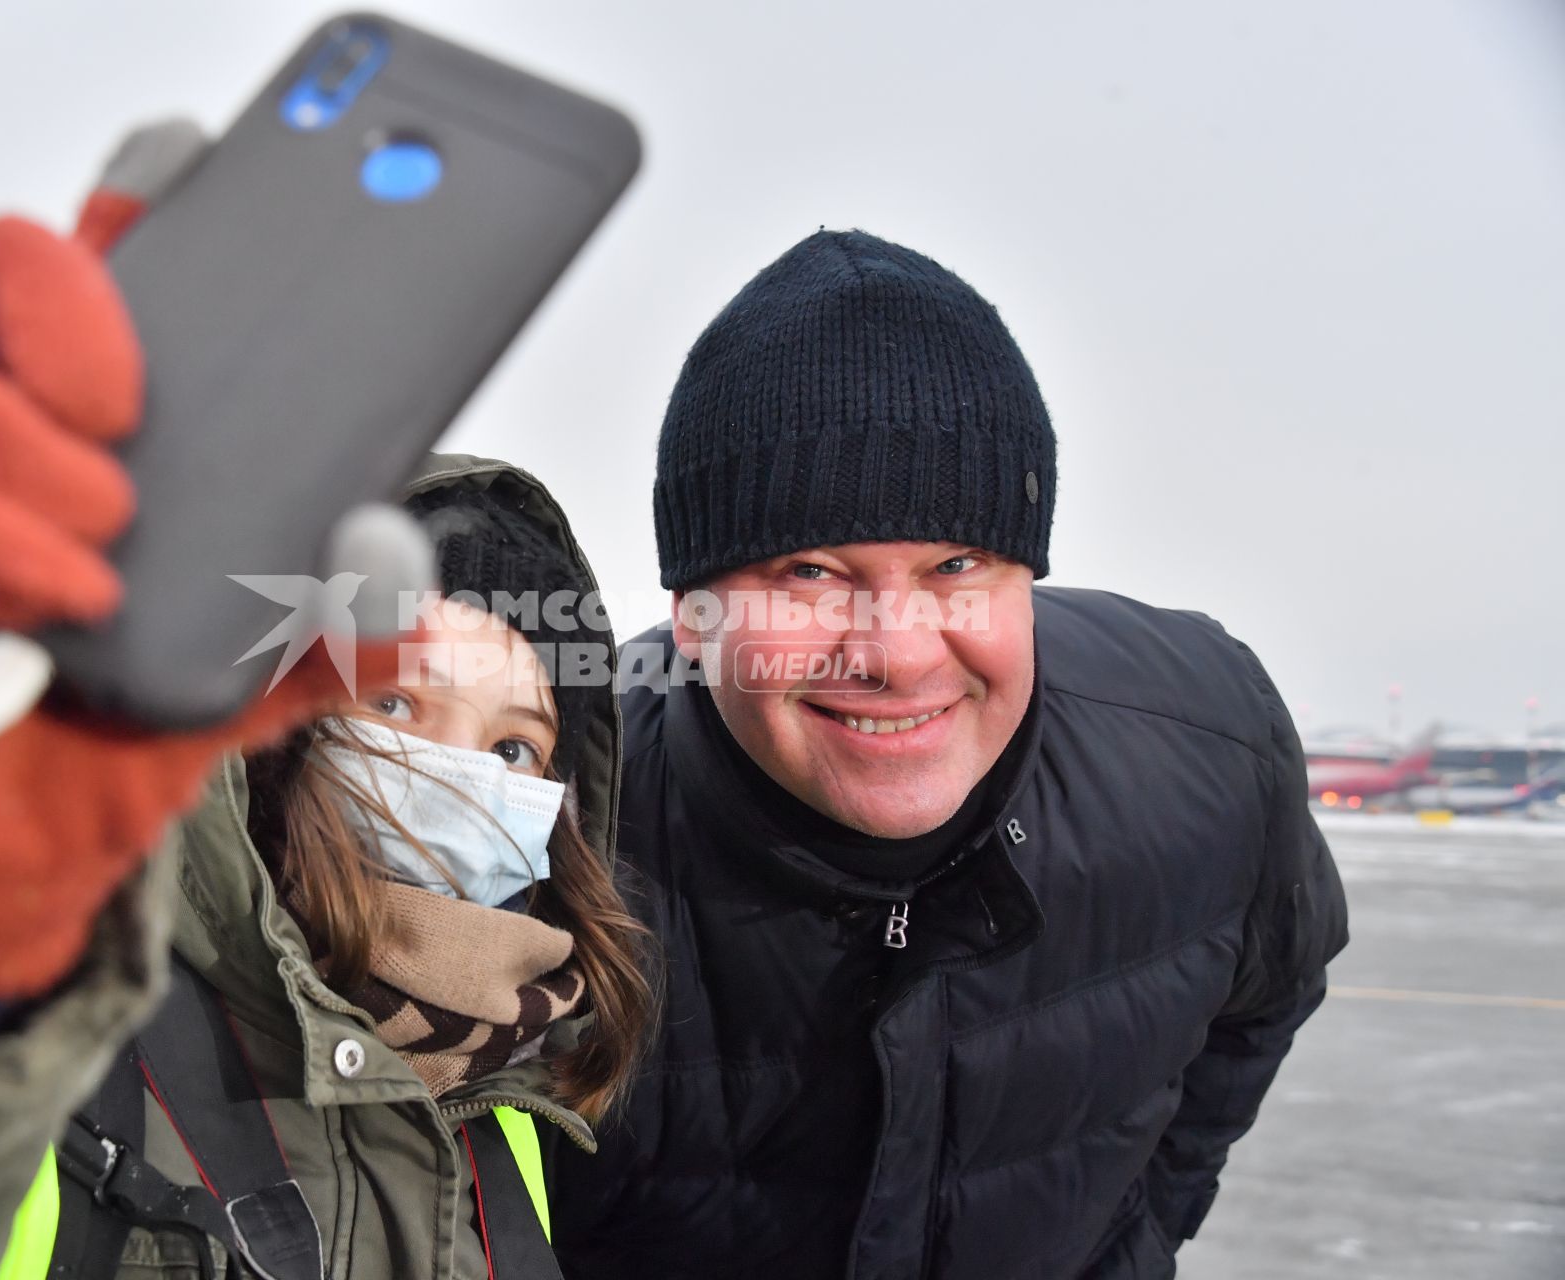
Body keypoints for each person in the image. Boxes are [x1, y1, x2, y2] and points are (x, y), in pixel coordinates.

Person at [0, 127, 649, 1279]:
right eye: (401, 707)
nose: (463, 776)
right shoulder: (48, 1020)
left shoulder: (502, 1095)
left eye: (517, 744)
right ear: (283, 718)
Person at [548, 230, 1350, 1279]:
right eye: (811, 570)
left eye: (957, 563)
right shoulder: (552, 827)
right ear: (693, 613)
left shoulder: (1204, 745)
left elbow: (1264, 995)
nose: (896, 650)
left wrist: (1131, 1238)